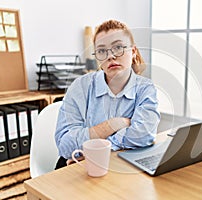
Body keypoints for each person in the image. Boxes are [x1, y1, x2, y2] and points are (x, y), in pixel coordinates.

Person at [54, 19, 160, 169]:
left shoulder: (145, 88)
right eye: (102, 51)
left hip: (114, 163)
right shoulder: (80, 87)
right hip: (75, 166)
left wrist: (98, 149)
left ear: (133, 51)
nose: (110, 56)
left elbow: (144, 135)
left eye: (118, 47)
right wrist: (115, 124)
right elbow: (65, 146)